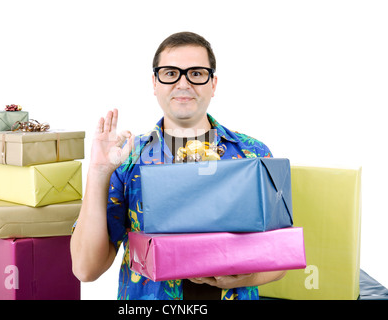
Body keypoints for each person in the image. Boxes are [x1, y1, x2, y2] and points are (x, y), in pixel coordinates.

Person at [70, 31, 286, 300]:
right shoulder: (126, 160)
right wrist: (99, 171)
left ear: (213, 83)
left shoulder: (253, 154)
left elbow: (281, 255)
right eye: (170, 73)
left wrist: (246, 277)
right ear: (155, 83)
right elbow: (85, 269)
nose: (183, 83)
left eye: (196, 73)